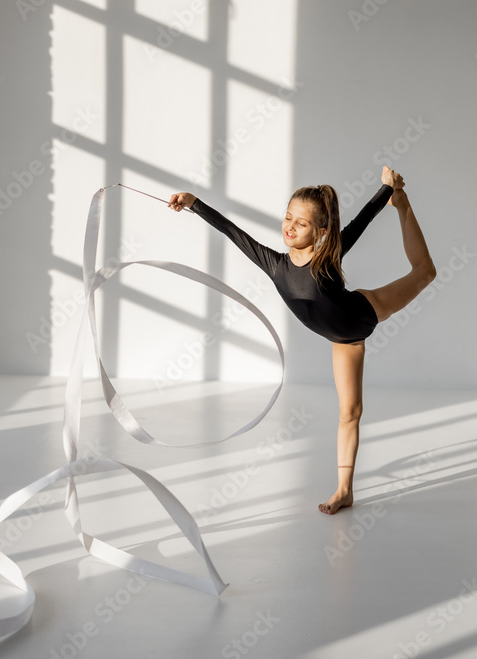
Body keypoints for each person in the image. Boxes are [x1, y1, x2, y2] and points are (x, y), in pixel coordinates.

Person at [168, 165, 436, 514]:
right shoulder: (275, 264)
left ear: (321, 231)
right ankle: (344, 490)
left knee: (426, 273)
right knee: (350, 412)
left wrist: (387, 189)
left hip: (365, 311)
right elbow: (234, 232)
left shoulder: (327, 257)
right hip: (346, 340)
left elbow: (362, 221)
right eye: (288, 217)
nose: (290, 226)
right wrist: (193, 203)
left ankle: (402, 204)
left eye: (302, 223)